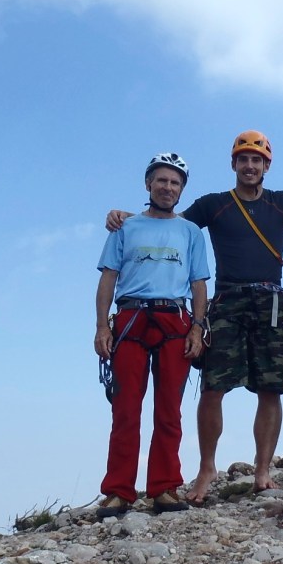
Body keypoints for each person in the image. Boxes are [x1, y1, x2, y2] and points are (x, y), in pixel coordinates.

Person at [105, 130, 283, 504]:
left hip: (271, 303)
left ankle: (262, 471)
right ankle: (207, 468)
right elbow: (167, 221)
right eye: (243, 159)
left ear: (267, 165)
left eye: (257, 160)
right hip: (226, 301)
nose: (250, 166)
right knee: (213, 388)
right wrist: (128, 217)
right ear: (233, 164)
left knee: (271, 389)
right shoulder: (214, 204)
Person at [94, 153, 209, 516]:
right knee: (125, 409)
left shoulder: (190, 232)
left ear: (182, 189)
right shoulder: (124, 228)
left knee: (169, 409)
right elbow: (108, 277)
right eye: (161, 180)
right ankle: (119, 491)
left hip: (175, 319)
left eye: (175, 182)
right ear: (148, 184)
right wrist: (101, 326)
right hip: (131, 319)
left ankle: (164, 487)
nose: (167, 187)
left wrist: (198, 327)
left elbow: (198, 283)